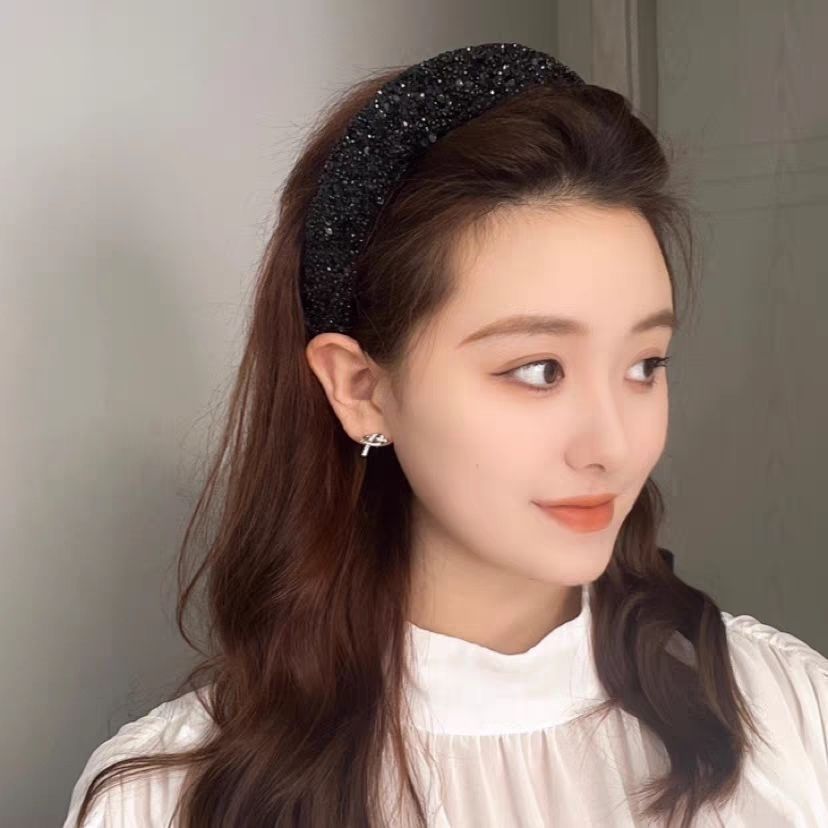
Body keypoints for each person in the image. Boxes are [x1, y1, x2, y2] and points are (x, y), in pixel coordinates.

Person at [62, 42, 828, 828]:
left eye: (644, 365)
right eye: (539, 370)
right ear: (361, 389)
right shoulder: (166, 801)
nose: (612, 445)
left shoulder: (791, 720)